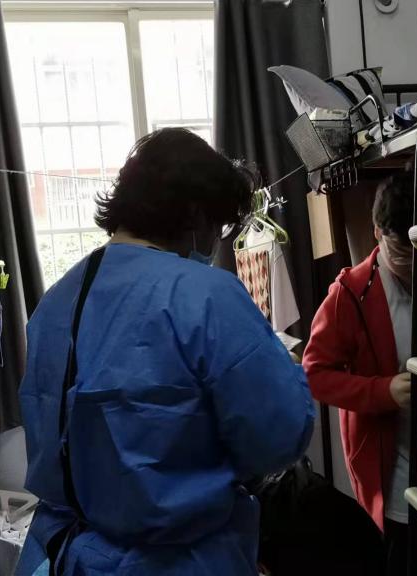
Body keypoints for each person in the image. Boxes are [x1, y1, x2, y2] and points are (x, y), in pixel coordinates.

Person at [17, 128, 315, 576]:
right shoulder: (205, 294)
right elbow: (279, 436)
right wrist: (286, 373)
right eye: (218, 226)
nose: (215, 242)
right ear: (196, 214)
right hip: (179, 560)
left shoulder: (55, 303)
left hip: (70, 556)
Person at [302, 173, 417, 576]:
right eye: (406, 251)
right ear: (377, 233)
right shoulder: (353, 293)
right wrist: (382, 391)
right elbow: (314, 373)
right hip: (406, 486)